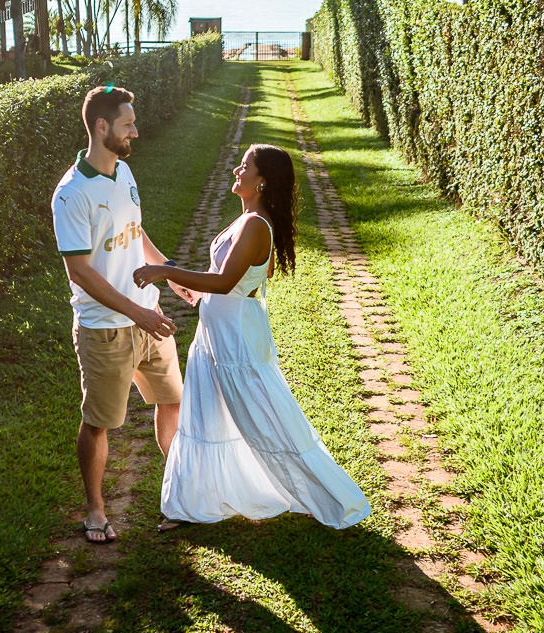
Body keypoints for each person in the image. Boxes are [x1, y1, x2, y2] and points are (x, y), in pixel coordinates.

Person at [132, 144, 370, 530]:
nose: (235, 172)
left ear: (261, 181)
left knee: (264, 418)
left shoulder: (256, 224)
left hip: (235, 341)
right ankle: (188, 505)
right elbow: (255, 275)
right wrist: (175, 273)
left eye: (244, 167)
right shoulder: (249, 221)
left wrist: (164, 275)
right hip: (218, 334)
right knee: (204, 417)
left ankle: (319, 494)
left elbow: (226, 281)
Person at [53, 85, 182, 544]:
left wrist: (168, 272)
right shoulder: (70, 195)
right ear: (102, 127)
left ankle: (180, 490)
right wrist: (135, 313)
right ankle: (95, 508)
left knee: (174, 401)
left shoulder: (125, 171)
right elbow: (81, 273)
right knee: (100, 422)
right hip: (105, 330)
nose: (136, 131)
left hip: (148, 319)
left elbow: (135, 230)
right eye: (128, 124)